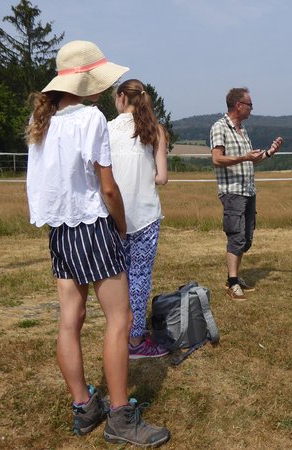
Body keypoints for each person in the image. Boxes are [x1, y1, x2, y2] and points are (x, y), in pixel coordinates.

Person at [25, 40, 169, 446]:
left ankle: (84, 406)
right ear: (87, 82)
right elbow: (108, 189)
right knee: (119, 319)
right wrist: (120, 226)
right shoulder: (90, 118)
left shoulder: (44, 122)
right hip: (93, 226)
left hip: (61, 232)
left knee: (70, 319)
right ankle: (121, 416)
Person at [109, 79, 170, 359]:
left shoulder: (106, 130)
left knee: (116, 276)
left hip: (113, 216)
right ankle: (135, 341)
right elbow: (162, 178)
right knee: (140, 276)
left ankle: (119, 330)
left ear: (122, 98)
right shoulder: (155, 130)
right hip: (145, 215)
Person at [210, 87, 283, 301]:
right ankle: (233, 282)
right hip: (232, 192)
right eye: (250, 105)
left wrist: (269, 153)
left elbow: (251, 159)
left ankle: (234, 277)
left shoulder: (243, 130)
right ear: (238, 106)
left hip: (248, 191)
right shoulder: (219, 127)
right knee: (236, 235)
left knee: (246, 237)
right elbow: (217, 158)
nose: (252, 109)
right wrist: (243, 157)